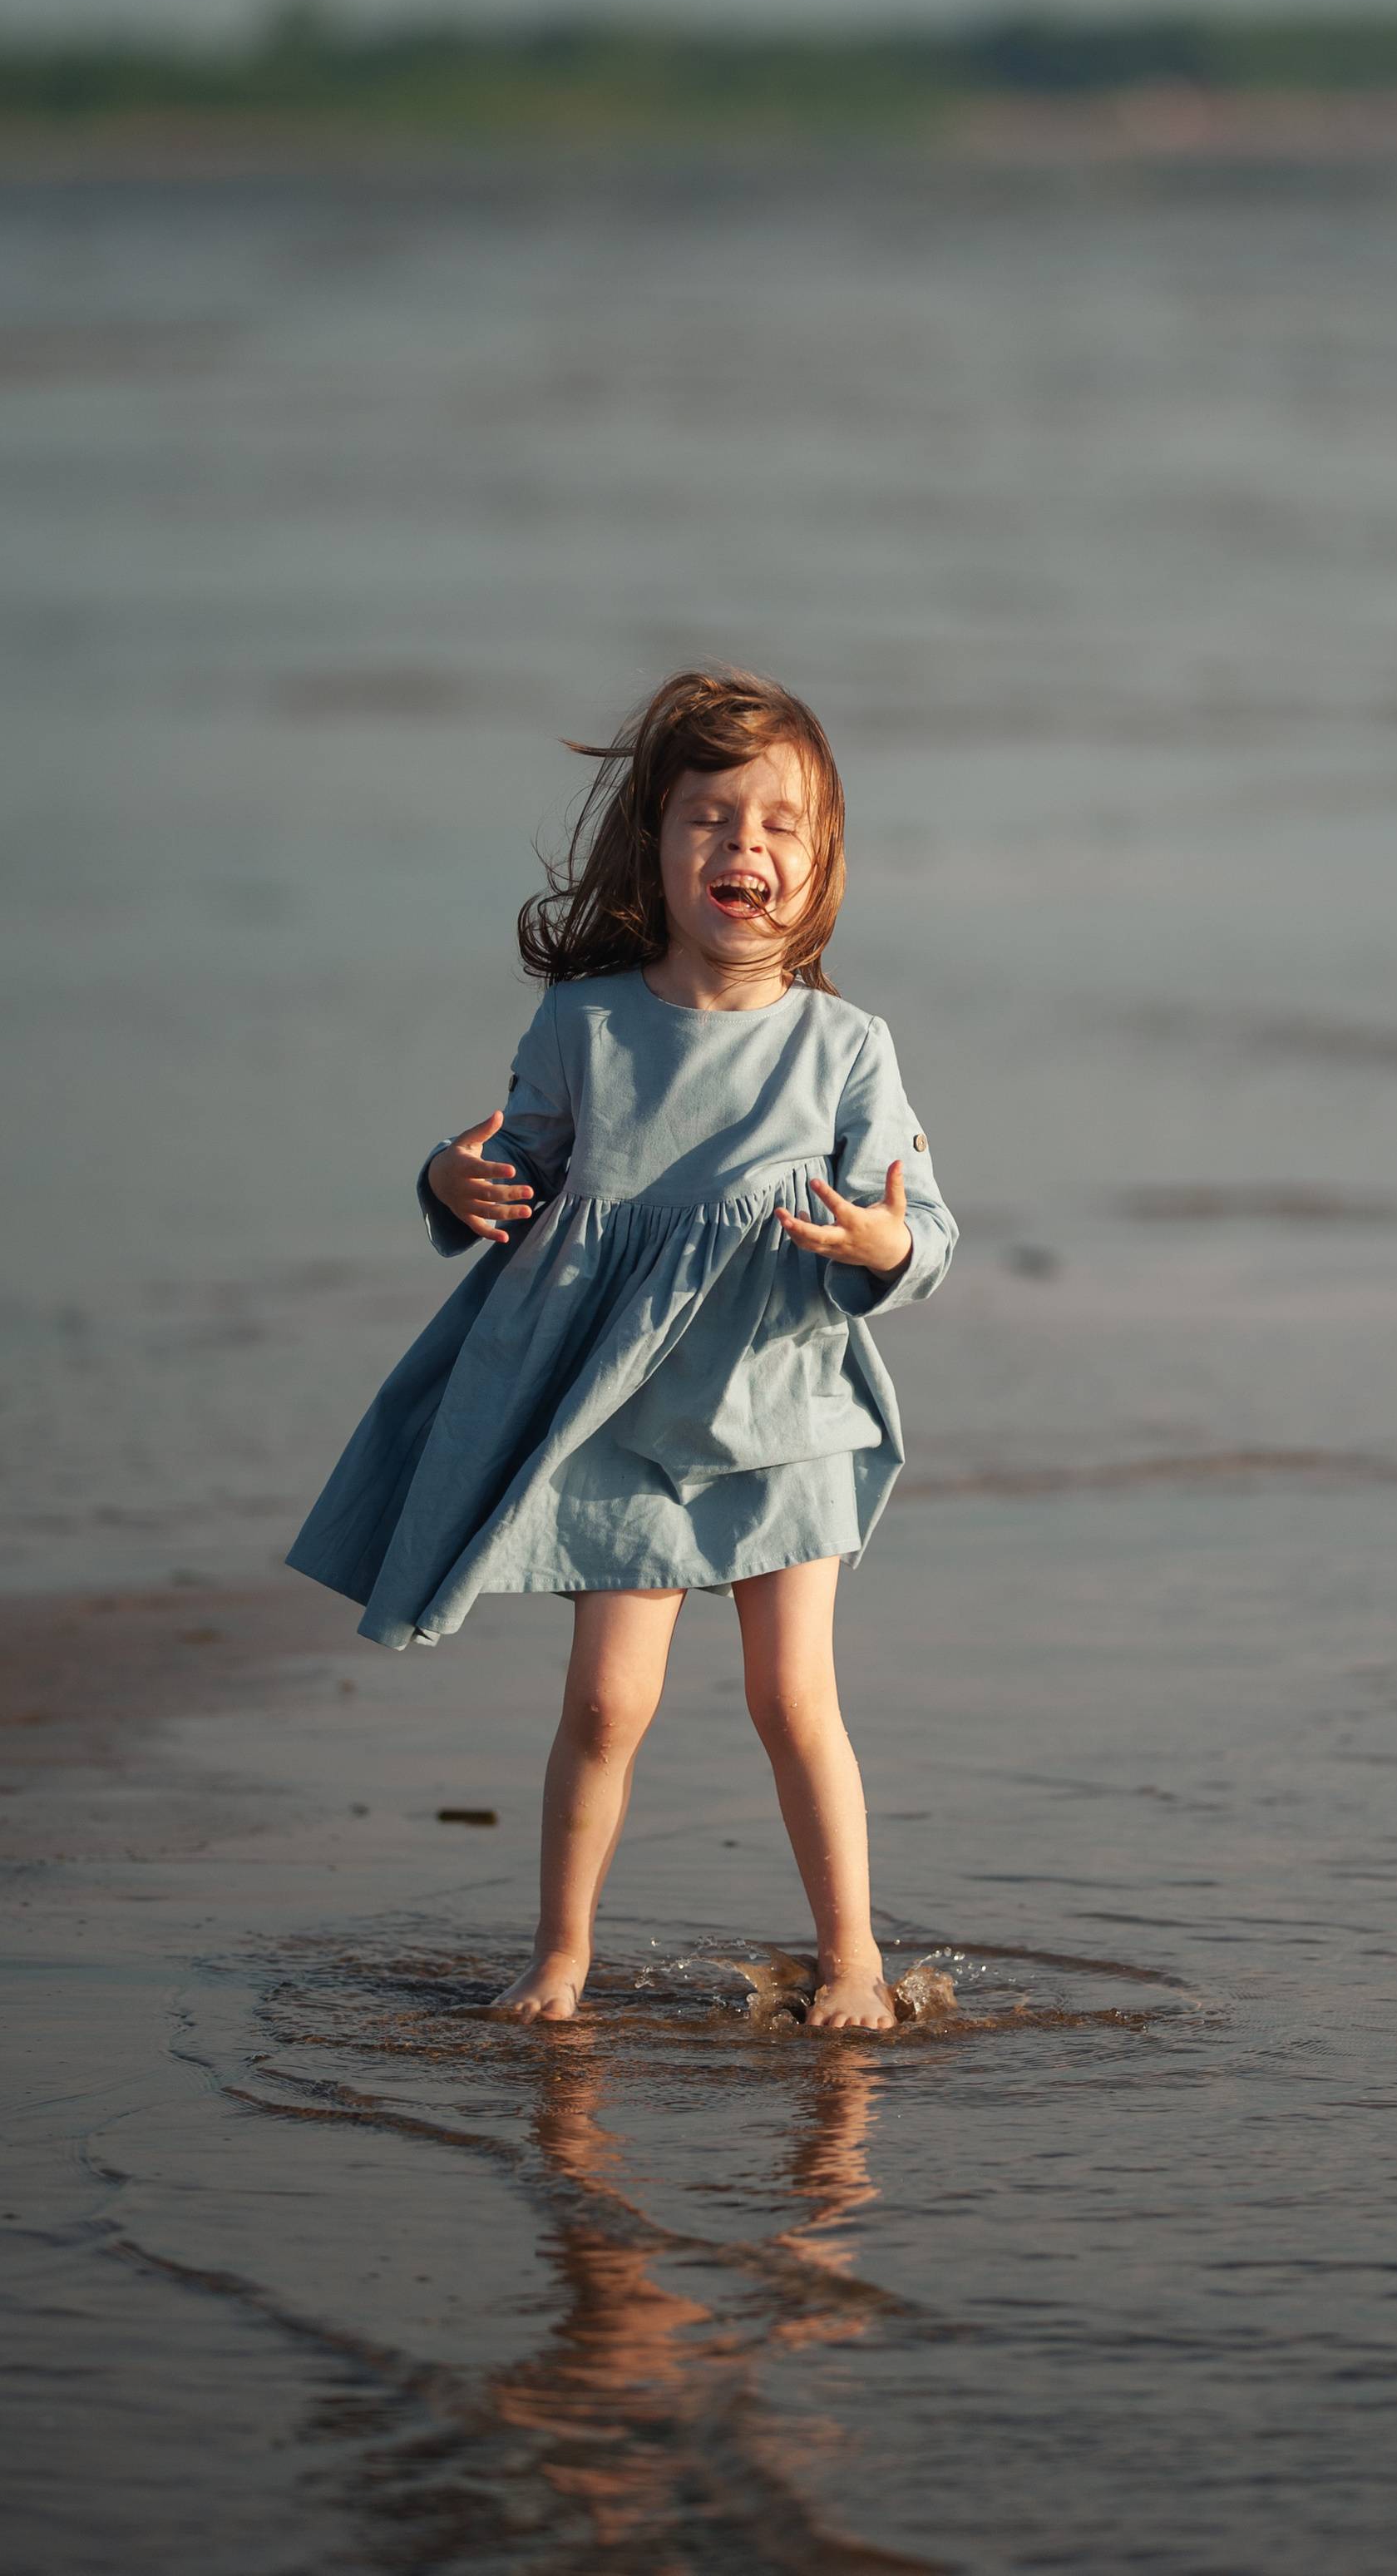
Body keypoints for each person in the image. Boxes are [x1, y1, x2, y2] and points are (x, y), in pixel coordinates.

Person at [286, 668, 957, 2030]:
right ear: (653, 847)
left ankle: (855, 1962)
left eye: (779, 824)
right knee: (606, 1707)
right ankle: (560, 1953)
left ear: (822, 862)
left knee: (792, 1700)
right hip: (617, 1415)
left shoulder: (844, 1049)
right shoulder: (587, 1026)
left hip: (783, 1407)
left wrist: (883, 1248)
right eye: (709, 817)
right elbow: (504, 1173)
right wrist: (446, 1184)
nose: (744, 848)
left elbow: (923, 1227)